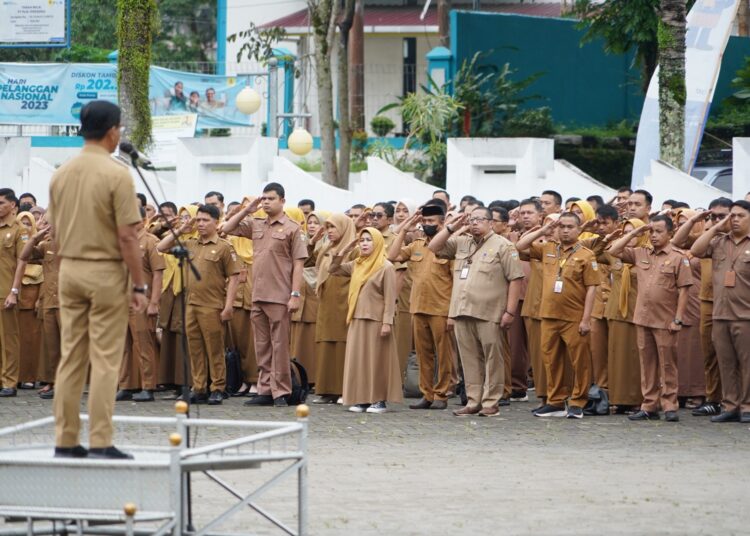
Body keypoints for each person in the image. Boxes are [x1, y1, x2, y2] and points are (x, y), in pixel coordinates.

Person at [47, 100, 148, 459]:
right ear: (112, 131)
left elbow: (54, 233)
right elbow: (128, 237)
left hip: (69, 269)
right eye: (119, 128)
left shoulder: (61, 172)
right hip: (104, 270)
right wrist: (139, 284)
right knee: (105, 358)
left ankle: (66, 439)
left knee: (71, 356)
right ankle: (102, 440)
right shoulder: (117, 173)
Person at [429, 207, 524, 417]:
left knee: (493, 358)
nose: (474, 223)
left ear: (491, 223)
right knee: (469, 359)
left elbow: (516, 279)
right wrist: (452, 226)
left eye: (480, 219)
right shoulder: (462, 242)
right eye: (471, 220)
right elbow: (433, 247)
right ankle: (474, 400)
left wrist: (510, 311)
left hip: (490, 311)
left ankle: (491, 401)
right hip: (462, 310)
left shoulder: (504, 245)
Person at [222, 183, 308, 407]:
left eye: (271, 198)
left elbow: (298, 265)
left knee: (279, 345)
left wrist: (295, 294)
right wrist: (246, 210)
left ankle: (282, 391)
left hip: (280, 295)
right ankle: (265, 389)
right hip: (257, 294)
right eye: (264, 198)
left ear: (282, 201)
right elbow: (227, 228)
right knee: (262, 344)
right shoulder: (256, 224)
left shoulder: (292, 228)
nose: (266, 202)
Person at [609, 215, 692, 422]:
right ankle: (649, 405)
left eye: (659, 231)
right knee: (647, 365)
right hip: (643, 318)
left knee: (667, 365)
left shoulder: (678, 257)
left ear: (670, 233)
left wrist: (678, 319)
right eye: (651, 232)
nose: (654, 236)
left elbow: (684, 291)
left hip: (665, 321)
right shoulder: (641, 253)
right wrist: (636, 232)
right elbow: (613, 251)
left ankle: (670, 404)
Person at [517, 213, 601, 419]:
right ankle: (555, 401)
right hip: (548, 315)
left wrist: (586, 319)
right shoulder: (548, 249)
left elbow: (592, 288)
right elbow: (520, 246)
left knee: (579, 361)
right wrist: (543, 231)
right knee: (551, 360)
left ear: (579, 229)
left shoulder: (586, 255)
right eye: (561, 226)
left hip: (573, 317)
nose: (565, 230)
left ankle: (577, 402)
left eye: (570, 226)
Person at [157, 204, 240, 405]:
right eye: (199, 220)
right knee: (194, 348)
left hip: (212, 305)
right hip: (190, 304)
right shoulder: (190, 243)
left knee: (214, 348)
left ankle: (218, 387)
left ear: (216, 222)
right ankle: (199, 386)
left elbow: (235, 277)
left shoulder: (224, 247)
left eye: (205, 220)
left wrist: (229, 306)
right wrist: (182, 229)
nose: (201, 224)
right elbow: (161, 247)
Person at [389, 203, 455, 410]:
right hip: (418, 307)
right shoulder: (416, 244)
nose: (427, 225)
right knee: (423, 353)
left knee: (444, 354)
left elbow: (455, 280)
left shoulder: (449, 245)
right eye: (424, 222)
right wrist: (404, 229)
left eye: (431, 222)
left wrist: (453, 312)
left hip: (441, 307)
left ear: (442, 223)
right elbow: (392, 256)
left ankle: (441, 394)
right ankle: (426, 394)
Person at [330, 228, 402, 413]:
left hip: (376, 320)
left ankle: (379, 399)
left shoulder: (386, 267)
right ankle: (362, 398)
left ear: (377, 243)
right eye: (361, 240)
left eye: (369, 240)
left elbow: (389, 297)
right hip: (357, 318)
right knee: (359, 360)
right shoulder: (357, 264)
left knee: (377, 361)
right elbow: (334, 269)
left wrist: (387, 322)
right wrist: (345, 249)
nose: (364, 243)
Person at [691, 200, 750, 423]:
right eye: (731, 215)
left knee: (747, 364)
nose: (734, 219)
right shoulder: (719, 242)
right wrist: (717, 226)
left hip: (745, 316)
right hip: (720, 314)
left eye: (740, 216)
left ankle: (747, 407)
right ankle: (731, 405)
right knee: (726, 363)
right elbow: (696, 250)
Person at [673, 198, 732, 416]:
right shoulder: (710, 239)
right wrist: (695, 220)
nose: (717, 220)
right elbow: (677, 242)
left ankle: (736, 401)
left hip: (735, 302)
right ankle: (713, 399)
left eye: (722, 215)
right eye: (713, 216)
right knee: (710, 354)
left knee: (734, 354)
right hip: (707, 300)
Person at [116, 207, 165, 402]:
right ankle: (126, 385)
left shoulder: (151, 242)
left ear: (142, 220)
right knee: (124, 346)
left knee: (144, 345)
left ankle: (148, 385)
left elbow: (158, 274)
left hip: (142, 302)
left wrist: (154, 302)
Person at [7, 219, 59, 399]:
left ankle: (67, 384)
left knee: (70, 346)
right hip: (51, 301)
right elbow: (24, 256)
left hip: (71, 302)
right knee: (52, 346)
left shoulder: (77, 244)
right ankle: (54, 383)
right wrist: (35, 237)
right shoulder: (46, 245)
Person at [602, 218, 647, 413]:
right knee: (616, 356)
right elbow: (597, 253)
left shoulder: (646, 255)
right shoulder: (616, 256)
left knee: (635, 357)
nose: (630, 237)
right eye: (626, 232)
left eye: (635, 232)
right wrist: (615, 237)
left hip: (638, 311)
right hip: (617, 311)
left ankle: (637, 399)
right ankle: (618, 398)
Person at [311, 213, 357, 404]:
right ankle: (326, 389)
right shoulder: (326, 248)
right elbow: (310, 261)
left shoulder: (354, 249)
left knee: (342, 345)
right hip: (326, 303)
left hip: (343, 302)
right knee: (326, 343)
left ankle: (343, 389)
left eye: (334, 227)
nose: (329, 231)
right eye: (328, 227)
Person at [157, 205, 196, 396]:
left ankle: (186, 382)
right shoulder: (177, 238)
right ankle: (171, 380)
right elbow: (161, 246)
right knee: (169, 335)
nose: (185, 221)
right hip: (170, 290)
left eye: (189, 217)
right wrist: (178, 230)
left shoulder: (196, 241)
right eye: (182, 217)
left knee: (184, 338)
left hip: (187, 291)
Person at [290, 211, 329, 385]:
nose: (312, 225)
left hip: (315, 297)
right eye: (309, 222)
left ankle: (313, 378)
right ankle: (298, 377)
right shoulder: (302, 241)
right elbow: (300, 262)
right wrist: (311, 243)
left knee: (313, 340)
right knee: (298, 341)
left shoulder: (329, 243)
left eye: (316, 222)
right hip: (301, 296)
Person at [13, 212, 43, 388]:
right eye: (21, 223)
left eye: (28, 223)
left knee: (30, 340)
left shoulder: (40, 244)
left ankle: (29, 377)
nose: (25, 227)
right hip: (13, 293)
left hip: (32, 296)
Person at [0, 189, 24, 398]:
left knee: (9, 339)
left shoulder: (18, 230)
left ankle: (9, 382)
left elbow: (21, 263)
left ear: (13, 206)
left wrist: (14, 291)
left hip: (6, 291)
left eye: (1, 203)